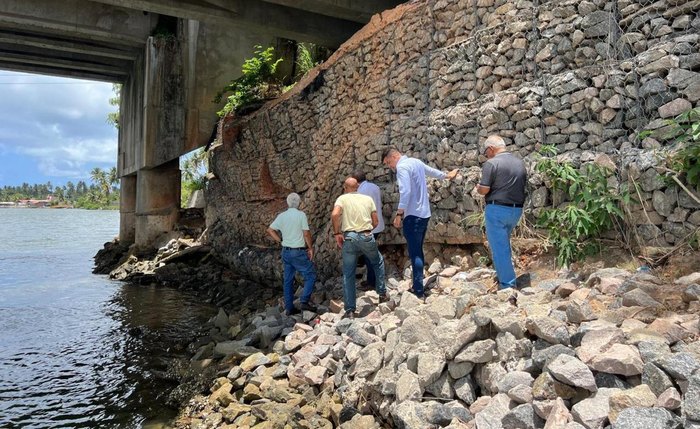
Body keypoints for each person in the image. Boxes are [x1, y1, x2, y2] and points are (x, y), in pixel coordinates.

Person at [382, 147, 458, 298]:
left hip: (412, 216)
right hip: (424, 214)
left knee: (415, 253)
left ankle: (418, 290)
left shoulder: (402, 167)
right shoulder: (415, 162)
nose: (389, 166)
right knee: (418, 251)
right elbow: (431, 172)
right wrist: (447, 176)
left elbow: (405, 192)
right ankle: (419, 285)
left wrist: (399, 214)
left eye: (388, 162)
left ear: (395, 156)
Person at [476, 135, 527, 290]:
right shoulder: (519, 163)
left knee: (499, 248)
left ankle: (507, 285)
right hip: (516, 210)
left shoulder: (491, 164)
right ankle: (505, 275)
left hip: (497, 210)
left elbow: (484, 189)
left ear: (491, 149)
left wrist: (478, 188)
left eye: (486, 153)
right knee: (504, 245)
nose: (486, 156)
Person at [331, 177, 386, 318]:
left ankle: (350, 310)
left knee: (348, 273)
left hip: (349, 237)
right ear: (358, 187)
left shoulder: (342, 199)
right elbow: (375, 221)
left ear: (345, 187)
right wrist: (368, 230)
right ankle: (382, 294)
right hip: (366, 235)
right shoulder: (367, 199)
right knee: (377, 261)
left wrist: (337, 233)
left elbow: (335, 214)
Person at [267, 192, 317, 315]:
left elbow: (270, 230)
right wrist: (310, 248)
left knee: (288, 280)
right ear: (299, 203)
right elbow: (306, 233)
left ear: (287, 203)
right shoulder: (301, 215)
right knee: (310, 275)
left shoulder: (281, 216)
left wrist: (280, 240)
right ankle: (304, 301)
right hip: (298, 252)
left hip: (286, 251)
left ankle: (290, 308)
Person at [350, 170, 384, 291]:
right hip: (378, 225)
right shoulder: (374, 187)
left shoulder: (360, 192)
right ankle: (371, 280)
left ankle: (372, 282)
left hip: (367, 227)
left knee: (369, 256)